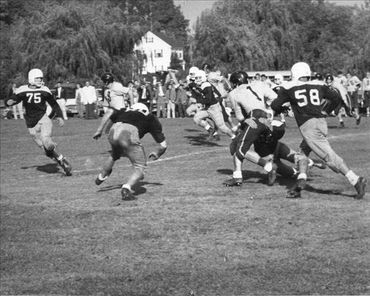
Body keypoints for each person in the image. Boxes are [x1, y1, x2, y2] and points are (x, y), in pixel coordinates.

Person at [271, 62, 367, 199]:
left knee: (330, 158)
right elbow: (336, 97)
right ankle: (300, 182)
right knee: (303, 152)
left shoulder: (289, 87)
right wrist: (327, 110)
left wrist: (285, 107)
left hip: (308, 127)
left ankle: (356, 180)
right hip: (321, 122)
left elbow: (275, 105)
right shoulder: (318, 84)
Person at [93, 103, 167, 202]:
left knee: (115, 154)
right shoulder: (150, 117)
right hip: (129, 133)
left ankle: (101, 176)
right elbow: (163, 145)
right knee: (140, 168)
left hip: (113, 131)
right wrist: (158, 153)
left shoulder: (124, 111)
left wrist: (100, 130)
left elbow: (110, 112)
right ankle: (126, 188)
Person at [5, 68, 72, 176]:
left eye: (41, 78)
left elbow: (54, 104)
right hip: (30, 122)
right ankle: (61, 160)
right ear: (31, 78)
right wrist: (9, 102)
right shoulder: (23, 89)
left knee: (46, 140)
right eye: (38, 78)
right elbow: (13, 99)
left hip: (43, 118)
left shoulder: (44, 90)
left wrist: (59, 116)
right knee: (46, 151)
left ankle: (51, 144)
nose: (40, 80)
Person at [224, 71, 281, 187]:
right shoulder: (258, 84)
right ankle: (276, 168)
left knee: (239, 148)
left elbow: (240, 117)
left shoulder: (234, 93)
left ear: (235, 83)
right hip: (268, 121)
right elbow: (275, 98)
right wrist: (269, 111)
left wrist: (242, 125)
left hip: (254, 119)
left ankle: (237, 178)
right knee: (237, 145)